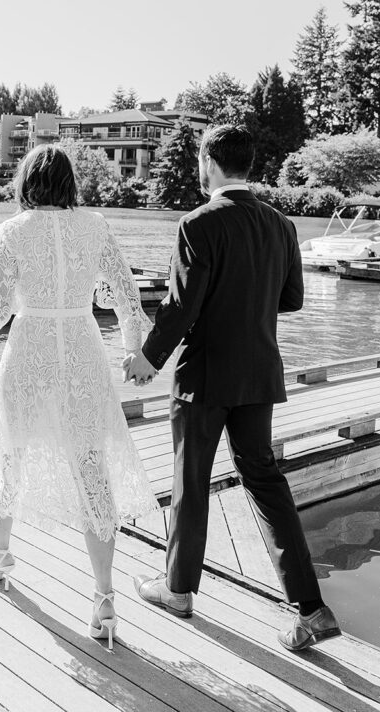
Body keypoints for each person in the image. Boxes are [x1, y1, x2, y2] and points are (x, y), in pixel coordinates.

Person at [129, 124, 341, 652]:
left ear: (208, 161)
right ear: (251, 165)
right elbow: (291, 298)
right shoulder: (281, 224)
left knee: (191, 480)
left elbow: (181, 306)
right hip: (259, 372)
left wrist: (148, 359)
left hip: (204, 377)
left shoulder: (197, 223)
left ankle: (178, 591)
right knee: (266, 480)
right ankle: (312, 608)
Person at [0, 144, 158, 651]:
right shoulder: (95, 225)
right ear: (70, 182)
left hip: (29, 349)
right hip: (81, 348)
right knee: (91, 466)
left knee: (10, 450)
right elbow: (125, 291)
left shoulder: (12, 231)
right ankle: (103, 598)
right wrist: (132, 348)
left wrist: (5, 295)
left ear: (26, 181)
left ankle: (0, 557)